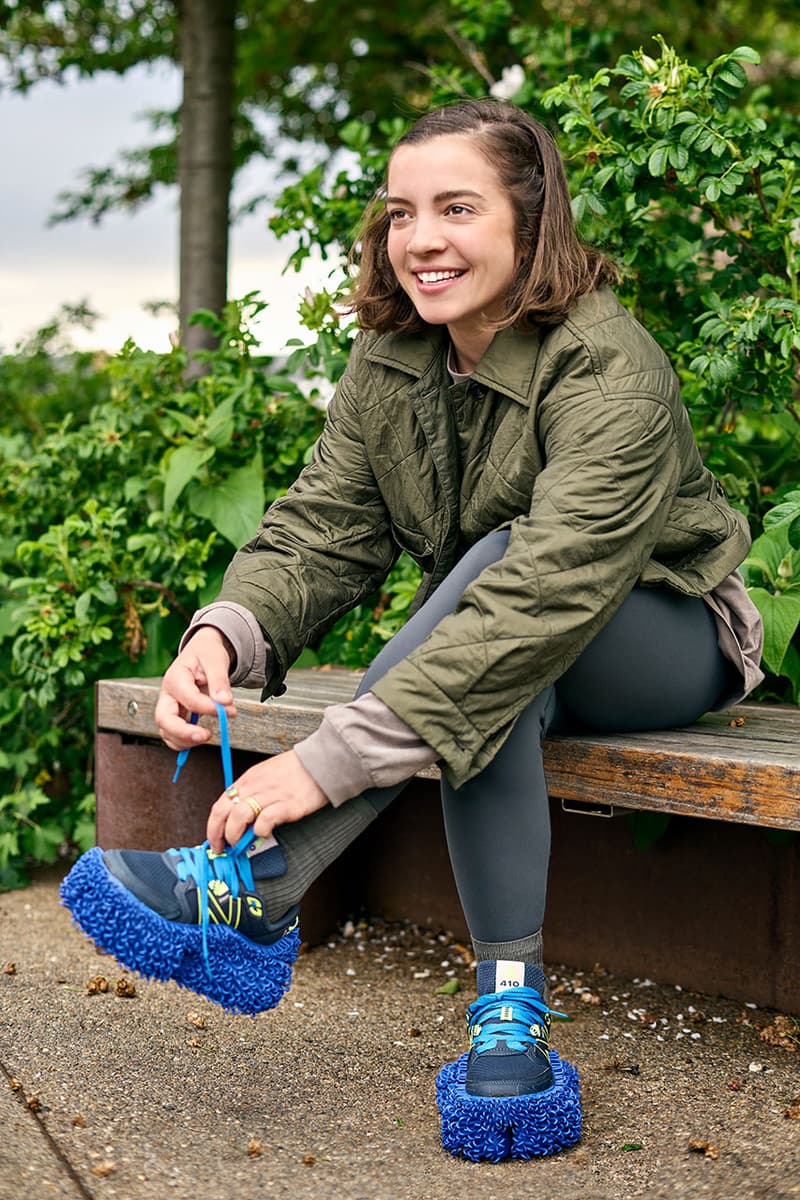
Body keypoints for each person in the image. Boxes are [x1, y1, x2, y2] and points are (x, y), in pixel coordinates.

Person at [61, 99, 763, 1162]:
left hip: (662, 636)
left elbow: (549, 586)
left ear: (531, 220)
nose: (419, 239)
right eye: (400, 213)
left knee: (499, 578)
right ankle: (509, 1018)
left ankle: (264, 885)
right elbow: (324, 527)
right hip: (510, 650)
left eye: (455, 208)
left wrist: (326, 764)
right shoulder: (393, 359)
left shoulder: (608, 365)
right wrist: (227, 632)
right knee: (498, 682)